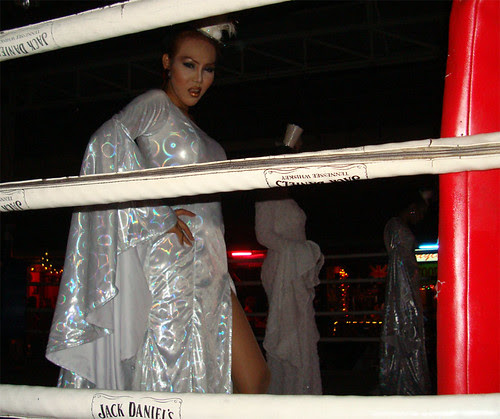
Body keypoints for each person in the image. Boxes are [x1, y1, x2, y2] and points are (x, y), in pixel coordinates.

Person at [46, 24, 269, 394]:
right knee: (172, 377)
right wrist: (156, 212)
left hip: (212, 265)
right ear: (167, 62)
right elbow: (106, 142)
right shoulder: (155, 104)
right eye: (188, 65)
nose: (198, 79)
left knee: (254, 377)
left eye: (208, 69)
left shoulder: (192, 124)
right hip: (174, 260)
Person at [254, 130, 324, 394]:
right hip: (282, 268)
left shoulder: (288, 196)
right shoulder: (266, 195)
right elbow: (263, 235)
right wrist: (298, 251)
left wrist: (302, 254)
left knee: (301, 330)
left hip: (295, 267)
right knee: (287, 331)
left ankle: (301, 389)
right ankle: (286, 390)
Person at [378, 190, 432, 395]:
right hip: (403, 286)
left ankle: (405, 380)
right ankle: (405, 382)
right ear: (412, 209)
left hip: (404, 284)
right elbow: (400, 262)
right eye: (420, 212)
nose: (421, 218)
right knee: (406, 329)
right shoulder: (397, 227)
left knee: (406, 331)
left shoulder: (396, 226)